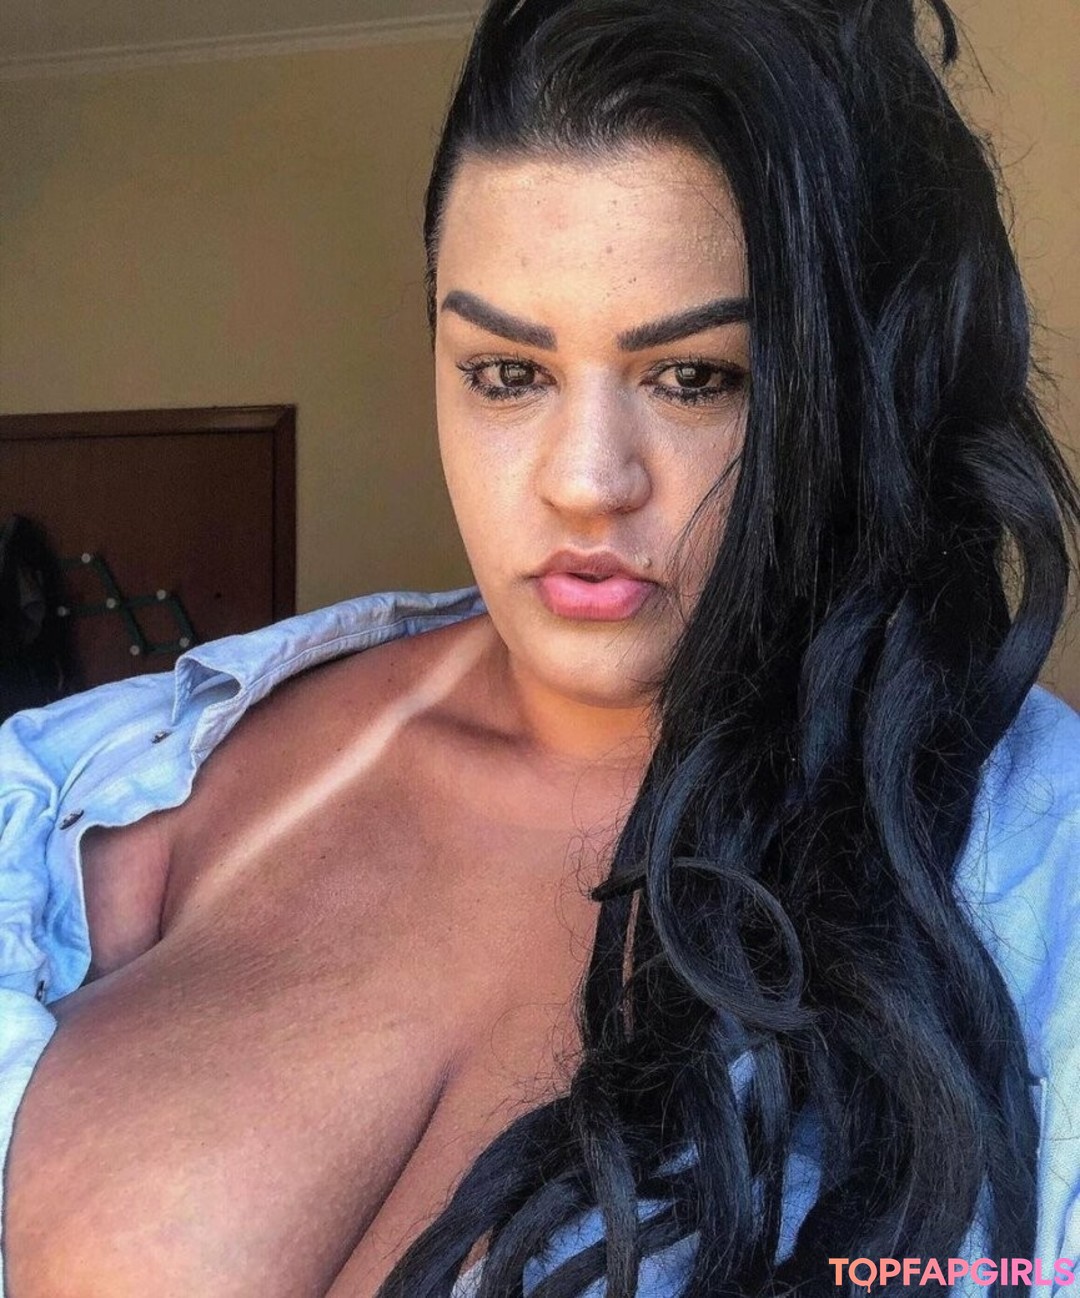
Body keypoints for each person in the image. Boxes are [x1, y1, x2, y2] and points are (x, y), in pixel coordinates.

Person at [2, 0, 1078, 1293]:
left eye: (695, 376)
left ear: (849, 392)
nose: (584, 482)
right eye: (508, 373)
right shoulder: (119, 788)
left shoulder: (1044, 867)